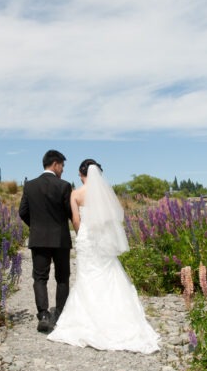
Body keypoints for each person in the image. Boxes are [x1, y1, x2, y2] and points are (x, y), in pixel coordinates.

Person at [48, 159, 160, 354]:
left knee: (86, 277)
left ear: (82, 175)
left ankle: (88, 319)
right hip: (103, 239)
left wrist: (82, 234)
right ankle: (116, 318)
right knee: (108, 274)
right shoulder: (105, 195)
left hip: (86, 239)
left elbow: (75, 220)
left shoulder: (76, 194)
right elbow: (112, 218)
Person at [19, 150, 73, 333]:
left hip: (39, 238)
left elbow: (22, 212)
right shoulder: (64, 186)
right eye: (62, 166)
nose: (63, 170)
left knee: (40, 278)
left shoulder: (30, 186)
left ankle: (43, 315)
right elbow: (70, 213)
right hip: (60, 239)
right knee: (62, 277)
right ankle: (59, 314)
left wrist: (35, 227)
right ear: (55, 164)